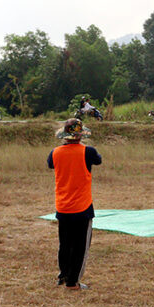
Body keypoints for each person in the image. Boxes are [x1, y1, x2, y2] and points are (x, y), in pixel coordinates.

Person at [47, 118, 102, 290]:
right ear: (80, 135)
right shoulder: (88, 152)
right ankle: (73, 282)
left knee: (65, 243)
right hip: (82, 207)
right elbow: (98, 160)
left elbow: (51, 165)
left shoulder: (54, 153)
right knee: (80, 246)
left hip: (62, 206)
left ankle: (63, 276)